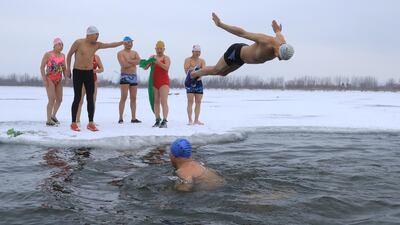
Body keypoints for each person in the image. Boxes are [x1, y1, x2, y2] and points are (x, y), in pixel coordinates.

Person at [190, 13, 294, 82]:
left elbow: (278, 32)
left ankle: (197, 73)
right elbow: (242, 33)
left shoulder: (282, 40)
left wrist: (277, 30)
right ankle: (193, 74)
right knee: (216, 70)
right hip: (236, 51)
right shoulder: (266, 41)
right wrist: (221, 24)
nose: (279, 59)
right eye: (279, 55)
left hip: (243, 60)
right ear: (279, 48)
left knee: (223, 74)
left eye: (282, 59)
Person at [66, 26, 126, 132]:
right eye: (96, 35)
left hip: (89, 73)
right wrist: (68, 69)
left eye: (98, 35)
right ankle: (73, 123)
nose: (97, 37)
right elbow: (69, 55)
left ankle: (90, 123)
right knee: (77, 97)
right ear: (89, 35)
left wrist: (122, 43)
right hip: (78, 72)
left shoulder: (97, 45)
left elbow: (110, 45)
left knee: (90, 98)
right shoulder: (79, 42)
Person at [144, 40, 171, 128]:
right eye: (157, 48)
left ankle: (165, 120)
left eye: (161, 49)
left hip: (164, 82)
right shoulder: (153, 57)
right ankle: (157, 119)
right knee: (156, 101)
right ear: (155, 49)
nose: (159, 50)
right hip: (154, 81)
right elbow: (145, 67)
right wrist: (146, 63)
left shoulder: (166, 58)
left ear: (164, 49)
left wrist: (157, 62)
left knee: (163, 101)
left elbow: (166, 68)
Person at [40, 38, 66, 126]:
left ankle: (53, 116)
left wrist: (66, 77)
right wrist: (44, 79)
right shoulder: (48, 54)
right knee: (52, 99)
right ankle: (48, 120)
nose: (61, 46)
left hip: (58, 79)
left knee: (59, 99)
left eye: (62, 45)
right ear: (54, 45)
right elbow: (42, 67)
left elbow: (64, 68)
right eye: (59, 44)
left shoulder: (63, 55)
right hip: (49, 78)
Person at [117, 36, 141, 124]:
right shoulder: (120, 53)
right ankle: (120, 117)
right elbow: (124, 64)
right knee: (124, 97)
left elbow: (139, 61)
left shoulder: (135, 52)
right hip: (125, 76)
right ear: (124, 43)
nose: (129, 44)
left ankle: (133, 118)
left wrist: (129, 61)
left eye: (131, 42)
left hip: (134, 76)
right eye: (128, 42)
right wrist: (133, 61)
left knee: (134, 98)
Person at [76, 54, 104, 126]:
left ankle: (91, 120)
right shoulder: (82, 55)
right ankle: (77, 120)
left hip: (93, 80)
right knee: (80, 100)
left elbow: (102, 69)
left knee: (93, 100)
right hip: (83, 80)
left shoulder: (96, 57)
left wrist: (94, 71)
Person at [184, 45, 206, 125]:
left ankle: (196, 120)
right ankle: (190, 120)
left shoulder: (202, 61)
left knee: (198, 102)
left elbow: (204, 70)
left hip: (199, 82)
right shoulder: (188, 60)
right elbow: (186, 70)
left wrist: (200, 75)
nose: (198, 53)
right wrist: (195, 70)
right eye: (196, 51)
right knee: (190, 101)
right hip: (190, 82)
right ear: (192, 51)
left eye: (199, 51)